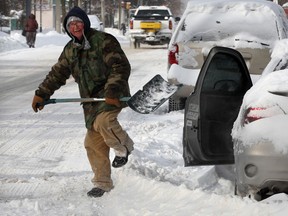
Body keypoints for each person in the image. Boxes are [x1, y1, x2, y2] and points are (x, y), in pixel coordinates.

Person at [31, 6, 134, 198]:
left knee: (105, 122)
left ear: (84, 23)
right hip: (90, 100)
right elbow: (57, 74)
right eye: (70, 24)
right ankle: (102, 183)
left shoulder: (103, 41)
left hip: (110, 94)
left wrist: (112, 90)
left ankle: (124, 147)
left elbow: (120, 66)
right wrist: (42, 93)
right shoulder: (71, 50)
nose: (75, 26)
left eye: (78, 22)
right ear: (67, 28)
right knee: (92, 143)